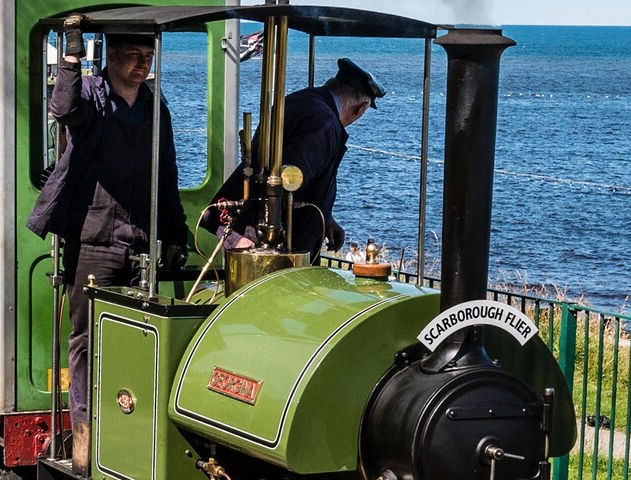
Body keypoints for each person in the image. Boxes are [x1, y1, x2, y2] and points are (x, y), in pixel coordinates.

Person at [24, 16, 188, 470]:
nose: (142, 65)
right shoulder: (93, 95)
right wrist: (71, 56)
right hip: (94, 240)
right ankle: (85, 443)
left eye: (148, 58)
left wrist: (175, 231)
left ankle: (131, 433)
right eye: (134, 57)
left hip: (140, 242)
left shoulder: (156, 106)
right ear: (111, 56)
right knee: (84, 342)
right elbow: (63, 108)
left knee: (137, 339)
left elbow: (166, 172)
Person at [202, 58, 385, 253]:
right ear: (360, 108)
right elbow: (289, 179)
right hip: (261, 238)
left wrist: (326, 217)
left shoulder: (302, 99)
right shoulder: (325, 124)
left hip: (245, 226)